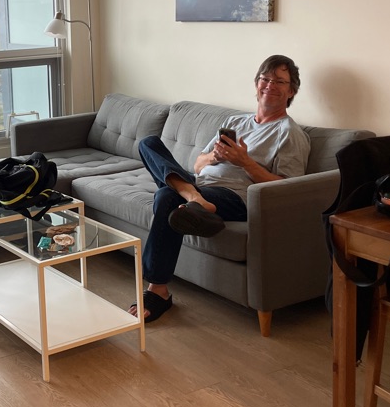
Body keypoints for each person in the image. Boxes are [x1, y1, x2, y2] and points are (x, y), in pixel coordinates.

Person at [130, 54, 311, 322]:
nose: (270, 85)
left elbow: (287, 187)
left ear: (291, 91)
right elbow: (198, 164)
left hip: (235, 197)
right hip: (202, 185)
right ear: (257, 84)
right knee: (148, 143)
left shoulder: (289, 133)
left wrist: (245, 162)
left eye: (279, 81)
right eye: (265, 79)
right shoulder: (236, 123)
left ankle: (157, 290)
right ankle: (193, 198)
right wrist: (215, 157)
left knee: (166, 195)